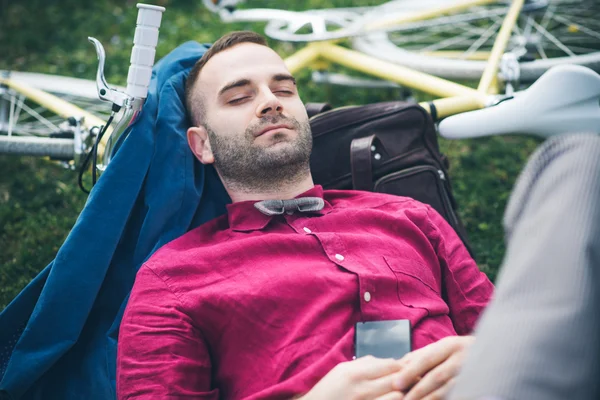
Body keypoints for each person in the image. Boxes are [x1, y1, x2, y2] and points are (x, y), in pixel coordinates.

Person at [116, 31, 494, 400]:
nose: (270, 103)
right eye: (239, 97)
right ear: (203, 145)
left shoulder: (411, 216)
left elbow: (518, 333)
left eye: (283, 90)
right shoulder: (170, 279)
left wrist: (483, 356)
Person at [448, 133, 600, 400]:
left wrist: (489, 352)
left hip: (475, 373)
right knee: (584, 164)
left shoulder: (408, 213)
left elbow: (478, 306)